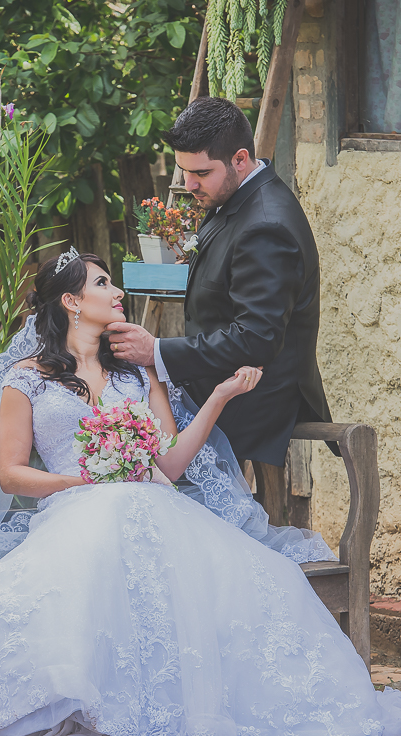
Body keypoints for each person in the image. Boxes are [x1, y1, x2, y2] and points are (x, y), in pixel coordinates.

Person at [0, 248, 401, 736]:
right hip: (76, 510)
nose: (116, 291)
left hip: (152, 506)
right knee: (104, 525)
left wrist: (217, 398)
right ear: (71, 302)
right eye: (102, 283)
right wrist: (88, 478)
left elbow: (167, 465)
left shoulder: (136, 374)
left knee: (272, 578)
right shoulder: (26, 379)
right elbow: (12, 473)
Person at [107, 97, 335, 508]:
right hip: (212, 381)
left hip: (252, 400)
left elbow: (257, 338)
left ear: (241, 159)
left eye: (201, 173)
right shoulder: (233, 196)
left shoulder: (266, 225)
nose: (189, 184)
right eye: (184, 171)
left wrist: (156, 350)